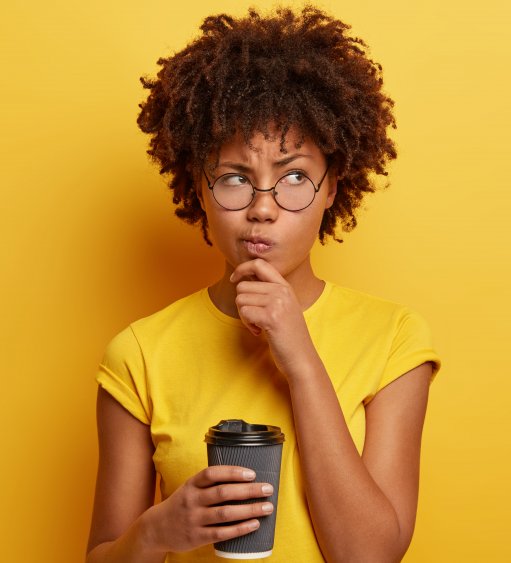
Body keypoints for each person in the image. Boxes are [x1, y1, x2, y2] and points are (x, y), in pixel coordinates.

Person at [86, 6, 442, 562]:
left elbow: (369, 556)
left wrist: (300, 358)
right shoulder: (138, 354)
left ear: (332, 187)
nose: (262, 209)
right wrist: (156, 532)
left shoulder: (395, 339)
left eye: (294, 176)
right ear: (198, 189)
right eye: (234, 178)